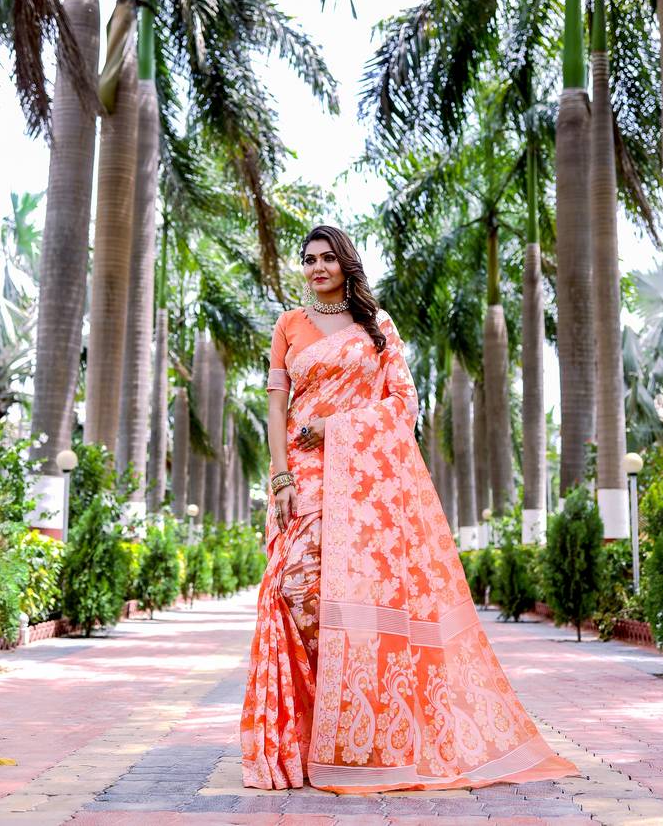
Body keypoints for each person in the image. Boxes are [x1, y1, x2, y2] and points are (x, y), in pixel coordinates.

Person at [241, 225, 576, 793]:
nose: (317, 268)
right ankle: (316, 724)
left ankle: (351, 727)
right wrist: (280, 477)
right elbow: (276, 408)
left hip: (364, 484)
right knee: (295, 587)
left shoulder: (377, 326)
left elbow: (402, 403)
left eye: (327, 258)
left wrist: (335, 425)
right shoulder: (289, 325)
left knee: (353, 599)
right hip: (304, 475)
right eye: (309, 259)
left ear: (346, 264)